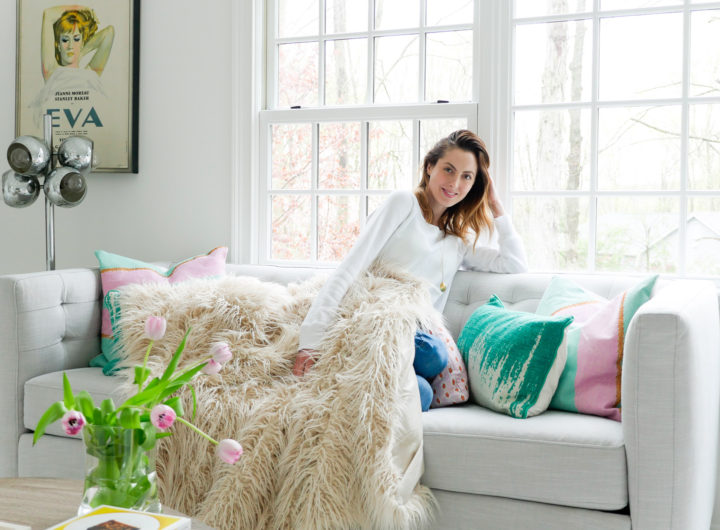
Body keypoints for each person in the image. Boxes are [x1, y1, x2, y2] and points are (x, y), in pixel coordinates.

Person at [293, 130, 528, 407]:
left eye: (467, 176)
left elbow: (514, 263)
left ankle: (350, 387)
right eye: (448, 170)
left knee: (427, 384)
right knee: (434, 358)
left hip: (408, 342)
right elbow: (350, 267)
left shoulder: (458, 240)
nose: (454, 183)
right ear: (430, 167)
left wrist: (496, 206)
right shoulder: (403, 204)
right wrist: (309, 341)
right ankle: (346, 377)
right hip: (373, 320)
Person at [30, 6, 114, 126]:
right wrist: (84, 10)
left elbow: (109, 33)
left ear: (82, 43)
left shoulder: (90, 74)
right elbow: (48, 14)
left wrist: (81, 53)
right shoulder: (51, 70)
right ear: (58, 45)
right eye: (65, 40)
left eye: (76, 39)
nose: (70, 45)